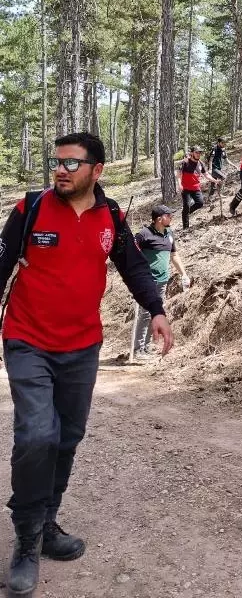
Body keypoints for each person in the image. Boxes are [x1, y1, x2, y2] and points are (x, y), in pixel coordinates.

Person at [0, 132, 173, 597]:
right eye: (57, 161)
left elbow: (134, 266)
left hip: (81, 346)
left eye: (72, 163)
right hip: (26, 339)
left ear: (97, 170)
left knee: (67, 438)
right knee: (37, 434)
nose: (60, 169)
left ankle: (46, 522)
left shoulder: (110, 215)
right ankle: (26, 541)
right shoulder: (30, 208)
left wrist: (155, 310)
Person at [131, 205, 189, 360]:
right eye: (168, 216)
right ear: (159, 219)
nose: (171, 218)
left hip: (163, 281)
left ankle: (146, 345)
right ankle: (138, 349)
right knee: (144, 314)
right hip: (147, 281)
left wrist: (183, 274)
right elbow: (131, 253)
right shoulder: (144, 235)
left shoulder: (169, 234)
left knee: (155, 314)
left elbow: (174, 255)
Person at [179, 145, 218, 229]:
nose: (198, 154)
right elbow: (179, 174)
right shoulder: (185, 162)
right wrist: (179, 184)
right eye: (197, 152)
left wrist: (215, 180)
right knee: (186, 205)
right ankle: (185, 228)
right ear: (192, 153)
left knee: (200, 203)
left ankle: (185, 213)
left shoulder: (200, 163)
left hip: (196, 188)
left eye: (200, 153)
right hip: (186, 188)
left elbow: (206, 174)